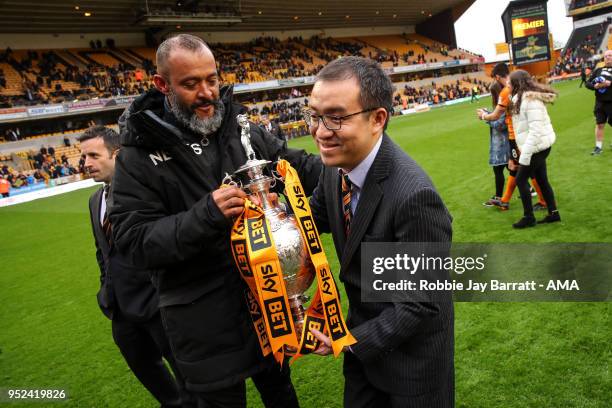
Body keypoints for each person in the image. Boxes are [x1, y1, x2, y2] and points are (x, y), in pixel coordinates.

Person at [109, 34, 321, 407]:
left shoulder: (238, 126)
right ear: (162, 85)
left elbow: (294, 167)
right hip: (203, 324)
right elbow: (133, 241)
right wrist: (205, 215)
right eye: (190, 84)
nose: (207, 93)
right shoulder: (137, 156)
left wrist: (356, 167)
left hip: (266, 303)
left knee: (281, 393)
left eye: (212, 79)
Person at [305, 56, 454, 408]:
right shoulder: (336, 166)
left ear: (377, 119)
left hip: (411, 366)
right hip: (363, 354)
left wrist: (346, 341)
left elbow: (418, 304)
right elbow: (312, 217)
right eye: (314, 115)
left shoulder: (415, 197)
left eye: (336, 117)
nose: (321, 130)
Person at [79, 126, 192, 408]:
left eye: (93, 155)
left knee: (189, 383)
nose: (86, 164)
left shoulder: (147, 191)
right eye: (83, 157)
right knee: (158, 385)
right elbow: (102, 252)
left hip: (159, 305)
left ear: (117, 155)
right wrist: (107, 290)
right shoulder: (95, 200)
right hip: (121, 311)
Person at [478, 63, 547, 211]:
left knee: (527, 169)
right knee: (514, 166)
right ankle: (505, 201)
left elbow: (496, 115)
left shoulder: (505, 92)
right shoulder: (524, 89)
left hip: (516, 135)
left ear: (497, 77)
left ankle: (542, 202)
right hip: (527, 132)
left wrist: (483, 115)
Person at [508, 70, 561, 228]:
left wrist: (525, 155)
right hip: (536, 146)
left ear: (517, 84)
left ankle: (529, 217)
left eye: (509, 83)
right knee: (542, 179)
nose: (507, 86)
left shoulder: (530, 100)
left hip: (537, 147)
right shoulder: (521, 98)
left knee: (520, 179)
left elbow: (535, 131)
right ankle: (553, 214)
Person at [482, 81, 509, 206]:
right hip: (503, 144)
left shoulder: (502, 106)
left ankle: (498, 198)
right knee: (515, 171)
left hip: (503, 145)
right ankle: (530, 189)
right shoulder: (500, 105)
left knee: (499, 170)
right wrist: (487, 114)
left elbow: (499, 125)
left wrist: (485, 117)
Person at [585, 49, 612, 155]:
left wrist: (609, 83)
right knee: (600, 124)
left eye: (610, 55)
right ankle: (598, 147)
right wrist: (595, 86)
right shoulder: (598, 70)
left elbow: (609, 83)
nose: (608, 57)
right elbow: (588, 83)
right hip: (600, 102)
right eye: (606, 56)